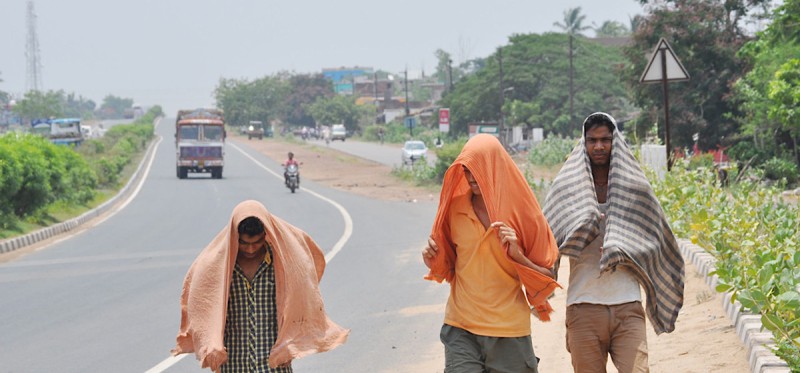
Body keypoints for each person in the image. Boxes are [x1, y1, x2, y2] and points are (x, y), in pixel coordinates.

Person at [542, 112, 685, 373]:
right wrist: (580, 230)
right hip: (583, 305)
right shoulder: (567, 187)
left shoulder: (634, 186)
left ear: (614, 141)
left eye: (605, 139)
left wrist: (623, 245)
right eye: (592, 140)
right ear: (583, 143)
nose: (599, 146)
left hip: (627, 304)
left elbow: (656, 235)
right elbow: (545, 237)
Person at [422, 134, 561, 373]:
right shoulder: (454, 209)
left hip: (509, 331)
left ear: (494, 168)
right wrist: (431, 258)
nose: (470, 176)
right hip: (461, 326)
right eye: (466, 169)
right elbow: (450, 265)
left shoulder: (526, 214)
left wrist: (518, 256)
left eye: (478, 168)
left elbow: (549, 277)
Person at [172, 200, 349, 371]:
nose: (250, 249)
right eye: (244, 243)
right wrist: (210, 344)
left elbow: (301, 301)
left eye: (256, 242)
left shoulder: (283, 265)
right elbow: (200, 303)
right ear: (235, 237)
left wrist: (291, 345)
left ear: (267, 234)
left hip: (273, 364)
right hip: (234, 364)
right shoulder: (217, 268)